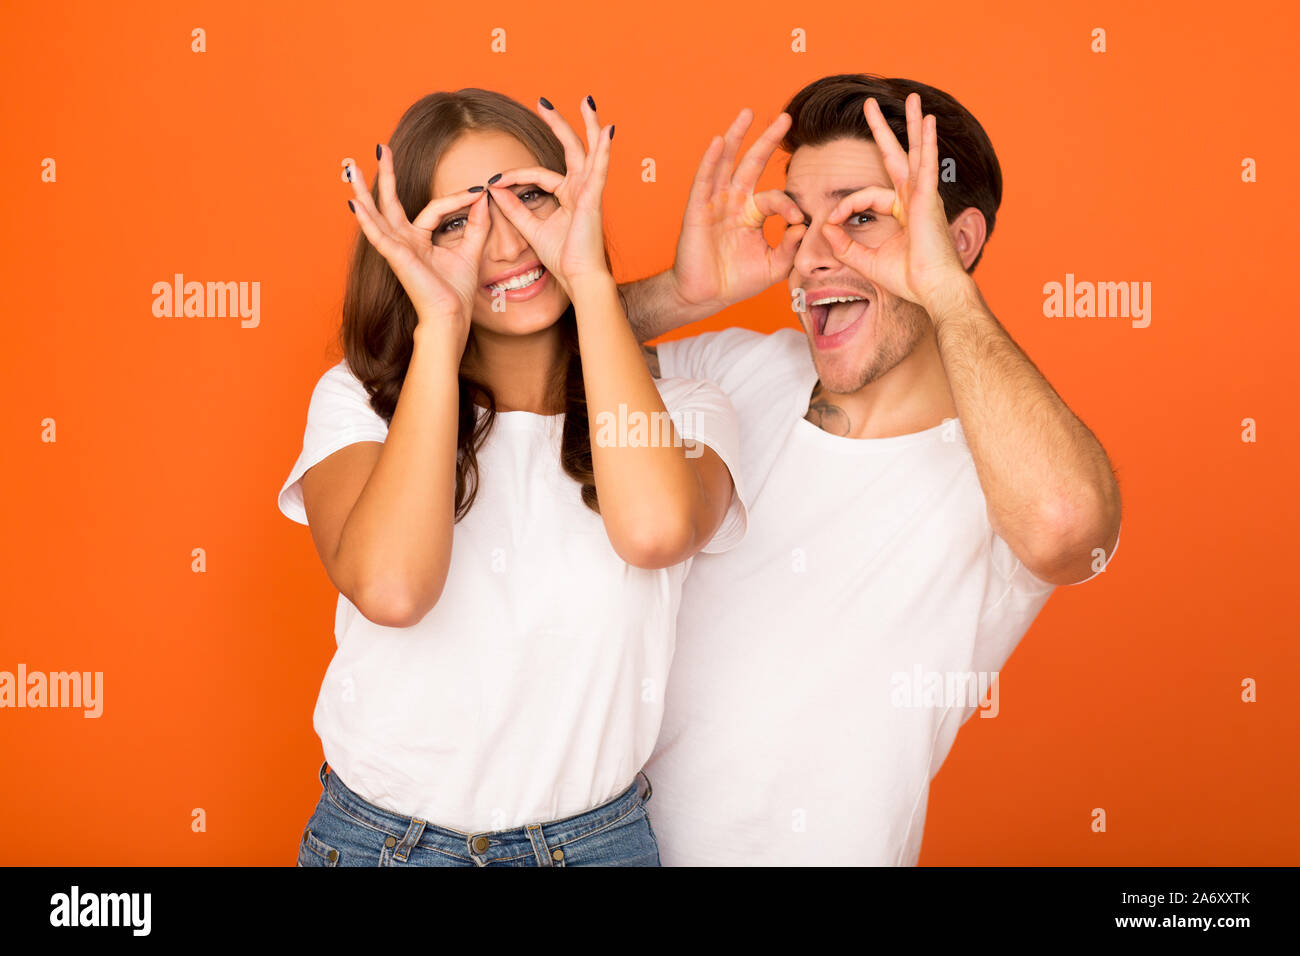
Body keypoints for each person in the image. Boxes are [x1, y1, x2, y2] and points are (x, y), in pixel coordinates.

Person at [615, 73, 1123, 865]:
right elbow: (521, 368)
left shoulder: (1001, 458)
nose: (814, 255)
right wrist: (678, 295)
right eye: (802, 220)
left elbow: (1068, 530)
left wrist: (945, 293)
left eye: (862, 218)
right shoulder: (734, 370)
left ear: (957, 243)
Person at [276, 89, 746, 867]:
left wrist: (590, 279)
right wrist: (439, 325)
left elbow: (656, 532)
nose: (504, 245)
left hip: (595, 846)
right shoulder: (361, 404)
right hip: (382, 844)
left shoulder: (685, 410)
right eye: (458, 221)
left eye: (530, 198)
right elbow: (394, 590)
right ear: (408, 245)